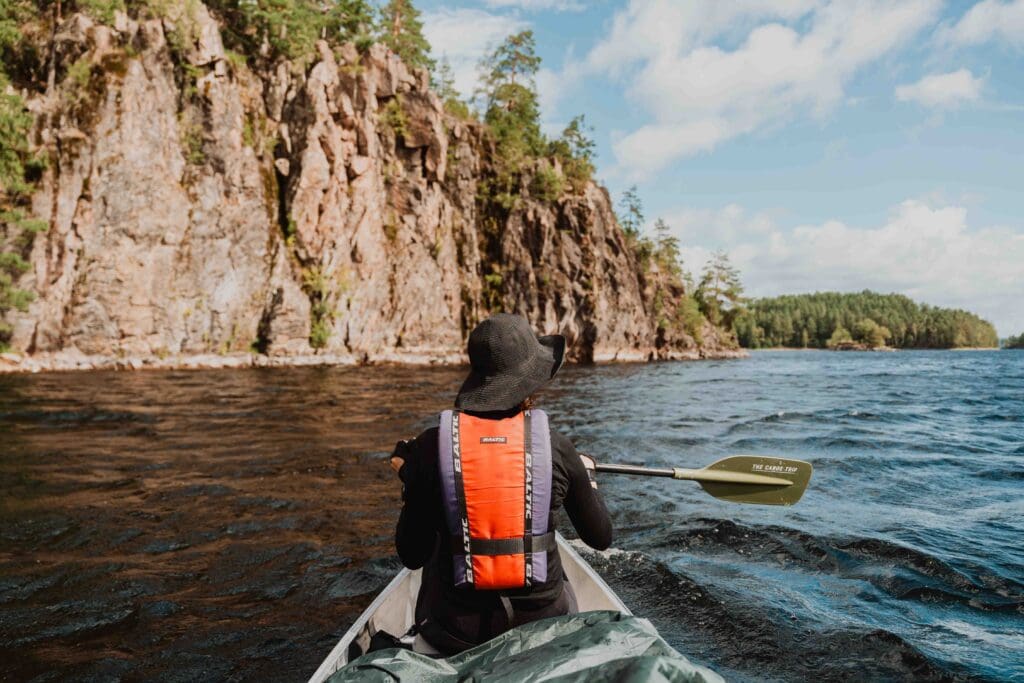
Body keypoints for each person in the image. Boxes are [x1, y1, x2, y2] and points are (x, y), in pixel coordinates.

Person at [389, 313, 613, 655]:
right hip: (544, 624)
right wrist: (588, 477)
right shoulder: (557, 447)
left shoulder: (429, 449)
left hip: (455, 633)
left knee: (439, 541)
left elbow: (411, 555)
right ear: (531, 381)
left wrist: (413, 482)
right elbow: (600, 537)